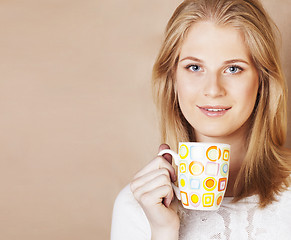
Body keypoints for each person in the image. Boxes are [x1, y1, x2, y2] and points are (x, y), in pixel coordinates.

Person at [111, 0, 291, 239]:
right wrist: (163, 232)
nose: (213, 90)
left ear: (262, 81)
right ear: (173, 79)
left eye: (233, 69)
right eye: (194, 67)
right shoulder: (136, 207)